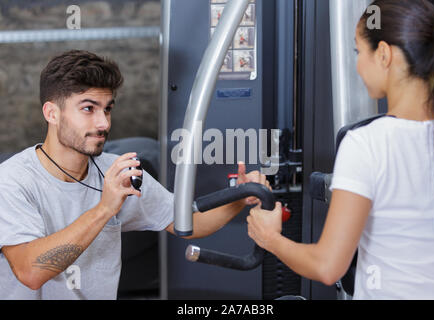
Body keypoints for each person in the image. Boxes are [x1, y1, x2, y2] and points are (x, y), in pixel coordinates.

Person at [0, 50, 269, 300]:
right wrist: (105, 208)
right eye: (88, 108)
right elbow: (31, 273)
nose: (103, 123)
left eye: (107, 108)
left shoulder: (115, 170)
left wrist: (238, 198)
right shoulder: (12, 180)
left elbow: (189, 223)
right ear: (52, 113)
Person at [247, 0, 434, 299]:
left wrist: (270, 238)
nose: (357, 64)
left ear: (383, 54)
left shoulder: (367, 143)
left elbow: (328, 267)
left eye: (358, 52)